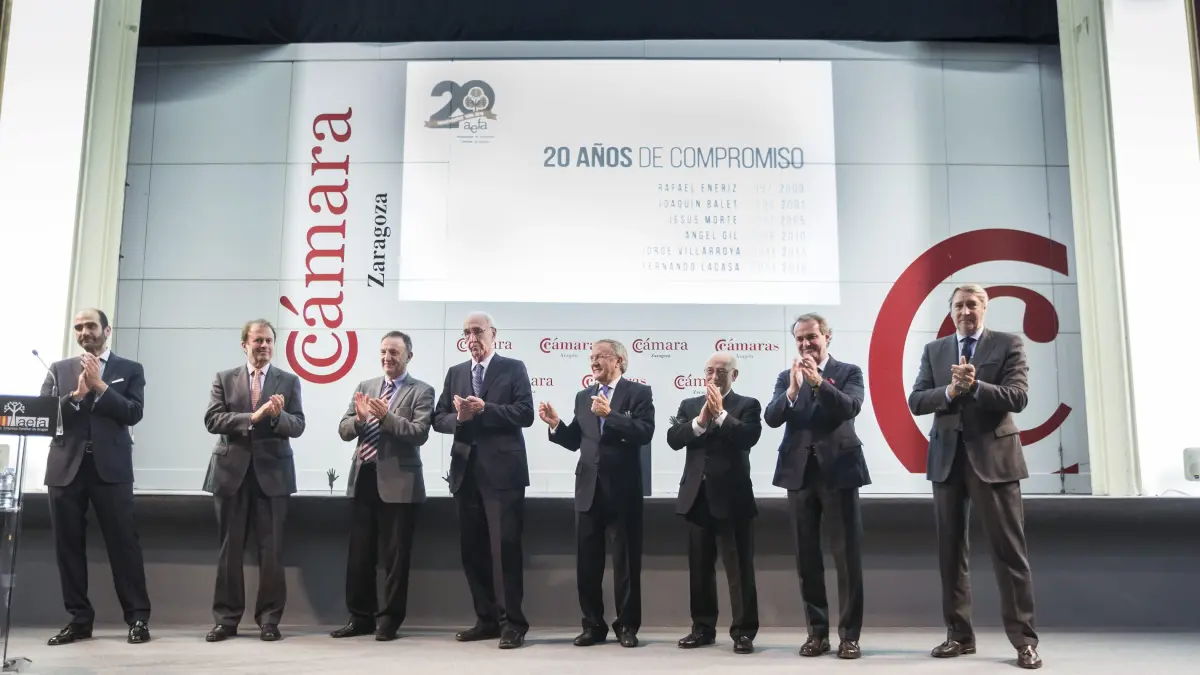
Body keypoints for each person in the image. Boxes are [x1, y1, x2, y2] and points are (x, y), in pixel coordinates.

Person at [908, 284, 1041, 670]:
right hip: (947, 461)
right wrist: (950, 391)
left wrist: (976, 386)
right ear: (950, 311)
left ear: (985, 308)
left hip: (995, 460)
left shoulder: (1008, 344)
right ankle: (959, 636)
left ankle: (1024, 641)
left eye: (972, 304)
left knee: (1009, 554)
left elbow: (1018, 397)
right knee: (950, 555)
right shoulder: (934, 350)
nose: (965, 311)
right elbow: (917, 400)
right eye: (959, 305)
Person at [40, 308, 152, 645]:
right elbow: (45, 418)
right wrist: (75, 396)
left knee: (124, 545)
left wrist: (101, 387)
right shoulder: (58, 369)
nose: (84, 332)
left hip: (111, 468)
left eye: (91, 326)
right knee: (68, 547)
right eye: (78, 327)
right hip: (65, 469)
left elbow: (133, 412)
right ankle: (79, 620)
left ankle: (137, 618)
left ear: (107, 330)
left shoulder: (129, 369)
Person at [764, 313, 869, 659]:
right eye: (800, 339)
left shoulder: (848, 372)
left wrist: (819, 382)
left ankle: (849, 636)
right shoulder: (786, 376)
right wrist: (793, 390)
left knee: (847, 557)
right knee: (806, 557)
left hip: (840, 471)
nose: (806, 344)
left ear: (826, 337)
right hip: (799, 474)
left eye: (812, 337)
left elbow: (850, 408)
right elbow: (772, 417)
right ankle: (817, 633)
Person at [539, 339, 655, 649]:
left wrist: (610, 415)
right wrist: (556, 425)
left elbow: (645, 432)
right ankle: (592, 625)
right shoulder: (583, 396)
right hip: (588, 489)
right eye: (591, 356)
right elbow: (576, 441)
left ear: (618, 360)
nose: (593, 361)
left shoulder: (639, 393)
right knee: (587, 564)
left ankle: (627, 626)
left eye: (600, 356)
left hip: (624, 491)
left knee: (626, 563)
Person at [432, 312, 534, 649]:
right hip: (466, 472)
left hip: (503, 474)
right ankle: (486, 620)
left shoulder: (513, 368)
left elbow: (525, 413)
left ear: (493, 333)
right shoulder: (456, 372)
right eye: (466, 332)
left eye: (477, 331)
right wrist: (461, 418)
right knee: (473, 551)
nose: (471, 337)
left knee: (505, 550)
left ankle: (512, 624)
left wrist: (485, 408)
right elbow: (438, 418)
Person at [201, 319, 305, 642]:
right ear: (244, 344)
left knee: (271, 552)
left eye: (269, 341)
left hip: (273, 476)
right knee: (229, 551)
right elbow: (212, 419)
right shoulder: (224, 378)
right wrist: (253, 417)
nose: (264, 346)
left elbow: (298, 425)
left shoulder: (289, 380)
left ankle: (270, 620)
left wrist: (277, 416)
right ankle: (226, 620)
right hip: (230, 474)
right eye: (258, 340)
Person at [331, 331, 434, 641]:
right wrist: (361, 420)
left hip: (400, 485)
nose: (387, 357)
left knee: (395, 558)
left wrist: (386, 417)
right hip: (364, 478)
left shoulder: (421, 391)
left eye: (394, 352)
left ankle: (389, 620)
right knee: (359, 556)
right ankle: (359, 618)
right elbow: (343, 429)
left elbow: (419, 433)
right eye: (384, 351)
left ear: (408, 357)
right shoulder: (365, 387)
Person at [665, 351, 760, 654]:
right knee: (700, 569)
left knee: (739, 570)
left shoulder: (747, 405)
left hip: (733, 499)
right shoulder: (689, 405)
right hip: (697, 498)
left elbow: (748, 437)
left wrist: (720, 415)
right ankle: (702, 629)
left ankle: (743, 632)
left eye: (721, 371)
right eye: (709, 370)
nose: (714, 376)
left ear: (734, 375)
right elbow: (674, 438)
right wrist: (701, 420)